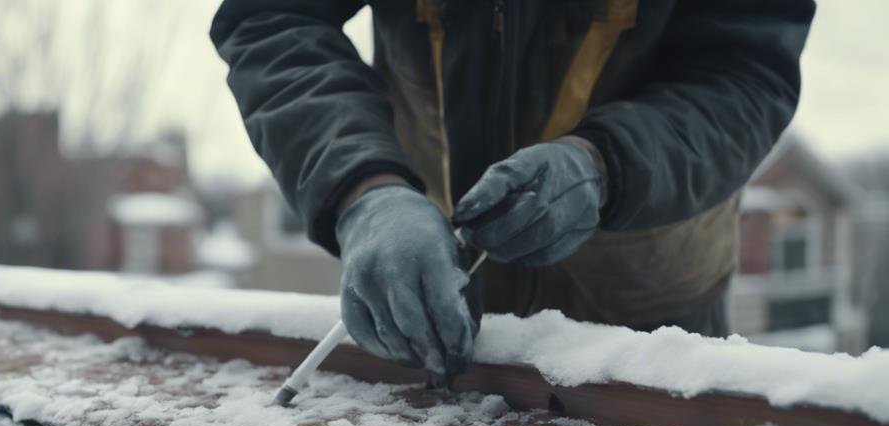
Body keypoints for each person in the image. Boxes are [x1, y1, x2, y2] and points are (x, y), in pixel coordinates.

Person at [211, 0, 815, 384]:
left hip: (651, 303)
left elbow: (746, 71)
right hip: (425, 278)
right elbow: (271, 17)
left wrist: (608, 163)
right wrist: (364, 189)